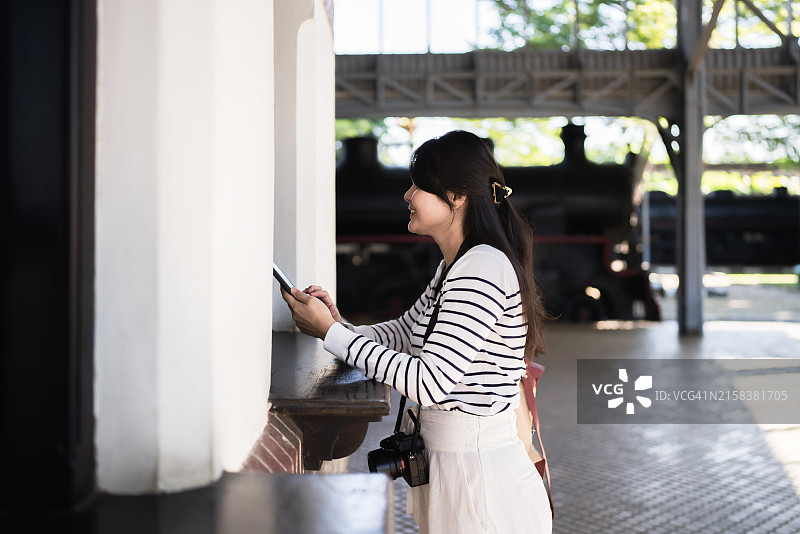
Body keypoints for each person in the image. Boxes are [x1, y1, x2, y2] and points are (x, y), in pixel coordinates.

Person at [281, 130, 552, 534]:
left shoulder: (480, 270)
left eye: (418, 186)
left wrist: (332, 335)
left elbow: (430, 383)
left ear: (457, 196)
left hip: (478, 486)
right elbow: (406, 332)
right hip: (460, 472)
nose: (407, 195)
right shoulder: (455, 267)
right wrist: (336, 325)